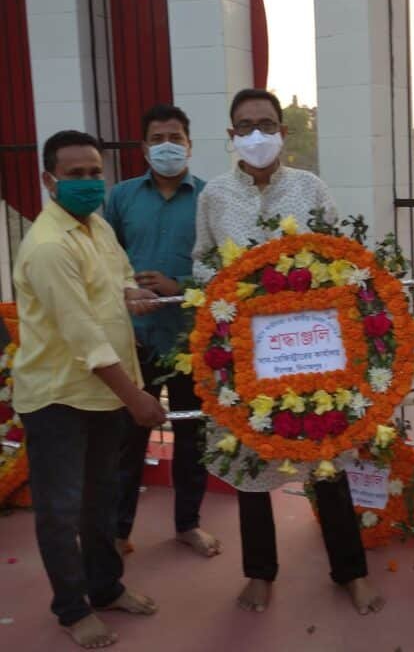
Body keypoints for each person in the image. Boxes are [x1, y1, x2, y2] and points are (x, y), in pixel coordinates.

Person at [193, 88, 383, 616]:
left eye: (267, 123)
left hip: (313, 351)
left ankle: (350, 573)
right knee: (250, 459)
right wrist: (241, 288)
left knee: (327, 457)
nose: (257, 134)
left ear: (283, 130)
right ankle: (260, 574)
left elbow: (343, 261)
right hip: (247, 354)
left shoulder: (311, 189)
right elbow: (202, 265)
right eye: (246, 125)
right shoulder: (213, 196)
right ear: (231, 135)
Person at [12, 130, 167, 650]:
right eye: (74, 175)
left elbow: (117, 275)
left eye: (93, 172)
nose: (87, 183)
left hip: (102, 395)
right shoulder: (48, 245)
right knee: (60, 509)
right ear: (48, 180)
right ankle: (72, 609)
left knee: (100, 500)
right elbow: (84, 338)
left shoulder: (95, 225)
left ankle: (105, 587)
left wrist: (133, 293)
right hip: (58, 395)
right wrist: (138, 398)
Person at [106, 105, 220, 559]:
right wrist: (127, 288)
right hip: (134, 340)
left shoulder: (211, 198)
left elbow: (225, 269)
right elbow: (104, 259)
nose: (167, 145)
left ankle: (188, 524)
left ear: (190, 145)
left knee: (192, 437)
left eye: (175, 137)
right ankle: (118, 530)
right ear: (143, 147)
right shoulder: (122, 197)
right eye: (157, 138)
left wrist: (182, 288)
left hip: (191, 341)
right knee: (128, 440)